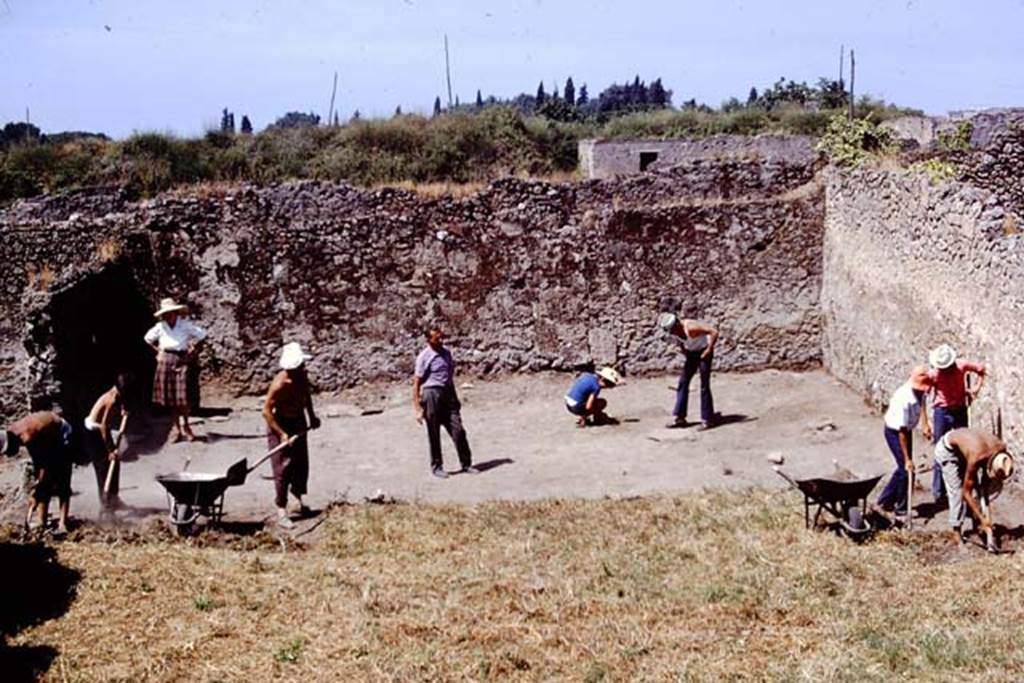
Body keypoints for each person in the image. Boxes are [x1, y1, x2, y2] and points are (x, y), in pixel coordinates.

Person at [263, 342, 321, 529]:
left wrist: (312, 416)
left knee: (300, 463)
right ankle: (281, 510)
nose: (304, 368)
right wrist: (282, 434)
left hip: (298, 422)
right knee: (283, 467)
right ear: (291, 368)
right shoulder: (280, 384)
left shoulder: (302, 377)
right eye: (301, 365)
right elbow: (266, 411)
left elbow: (306, 396)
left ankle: (297, 501)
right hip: (280, 424)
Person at [413, 326, 477, 479]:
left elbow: (449, 377)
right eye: (437, 338)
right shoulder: (424, 357)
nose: (441, 340)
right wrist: (417, 408)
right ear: (429, 340)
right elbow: (416, 383)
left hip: (447, 394)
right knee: (434, 433)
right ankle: (437, 466)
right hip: (431, 394)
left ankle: (466, 463)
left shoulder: (446, 353)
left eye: (442, 337)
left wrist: (454, 398)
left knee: (458, 430)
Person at [933, 427, 1014, 549]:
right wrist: (982, 518)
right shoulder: (977, 457)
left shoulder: (1001, 448)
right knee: (957, 492)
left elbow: (985, 481)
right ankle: (957, 533)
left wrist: (985, 496)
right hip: (947, 450)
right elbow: (966, 493)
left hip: (967, 448)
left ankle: (979, 527)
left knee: (980, 488)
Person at [926, 344, 986, 505]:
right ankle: (939, 492)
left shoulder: (962, 366)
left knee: (964, 450)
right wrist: (925, 422)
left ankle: (965, 488)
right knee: (940, 451)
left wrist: (975, 388)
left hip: (959, 410)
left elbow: (981, 369)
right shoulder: (934, 374)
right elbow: (923, 392)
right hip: (942, 412)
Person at [1, 411, 75, 537]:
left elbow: (44, 465)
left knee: (63, 478)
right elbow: (38, 462)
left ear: (11, 442)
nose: (8, 455)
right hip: (47, 437)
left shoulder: (28, 436)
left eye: (7, 451)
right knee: (42, 483)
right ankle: (42, 520)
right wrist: (38, 487)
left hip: (61, 433)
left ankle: (63, 523)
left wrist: (38, 490)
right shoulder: (13, 431)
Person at [144, 297, 207, 442]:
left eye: (170, 313)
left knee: (182, 398)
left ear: (176, 313)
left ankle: (186, 426)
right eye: (165, 314)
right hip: (165, 360)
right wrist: (158, 352)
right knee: (171, 399)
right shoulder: (161, 326)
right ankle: (177, 429)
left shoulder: (184, 325)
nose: (167, 316)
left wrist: (193, 351)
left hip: (181, 360)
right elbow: (147, 339)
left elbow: (202, 335)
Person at [874, 366, 933, 523]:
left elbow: (923, 402)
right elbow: (902, 433)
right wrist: (908, 459)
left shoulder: (919, 391)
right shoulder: (903, 399)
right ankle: (901, 510)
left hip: (906, 430)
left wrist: (925, 423)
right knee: (907, 470)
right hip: (894, 432)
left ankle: (884, 501)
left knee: (903, 469)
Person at [658, 310, 719, 430]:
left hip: (703, 352)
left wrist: (709, 349)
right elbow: (679, 341)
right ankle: (680, 417)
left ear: (677, 324)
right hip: (692, 354)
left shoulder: (691, 328)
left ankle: (707, 419)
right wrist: (684, 351)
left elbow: (714, 331)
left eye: (673, 330)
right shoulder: (675, 332)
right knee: (683, 382)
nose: (673, 333)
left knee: (704, 385)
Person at [83, 374, 130, 514]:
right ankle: (106, 504)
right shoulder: (111, 399)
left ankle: (114, 499)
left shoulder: (117, 395)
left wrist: (122, 410)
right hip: (93, 433)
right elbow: (104, 427)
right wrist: (110, 450)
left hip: (102, 430)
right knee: (103, 467)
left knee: (115, 464)